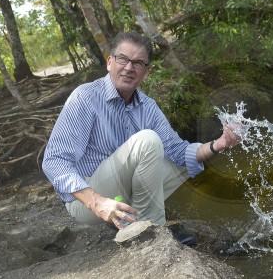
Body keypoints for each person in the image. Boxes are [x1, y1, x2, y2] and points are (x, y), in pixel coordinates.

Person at [42, 32, 240, 233]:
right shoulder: (85, 97)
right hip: (87, 200)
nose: (129, 68)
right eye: (123, 59)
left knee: (185, 163)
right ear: (110, 62)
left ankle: (137, 222)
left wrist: (219, 144)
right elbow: (54, 161)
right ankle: (149, 232)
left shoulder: (148, 106)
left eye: (137, 63)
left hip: (123, 194)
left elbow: (179, 152)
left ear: (147, 72)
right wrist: (97, 202)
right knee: (148, 141)